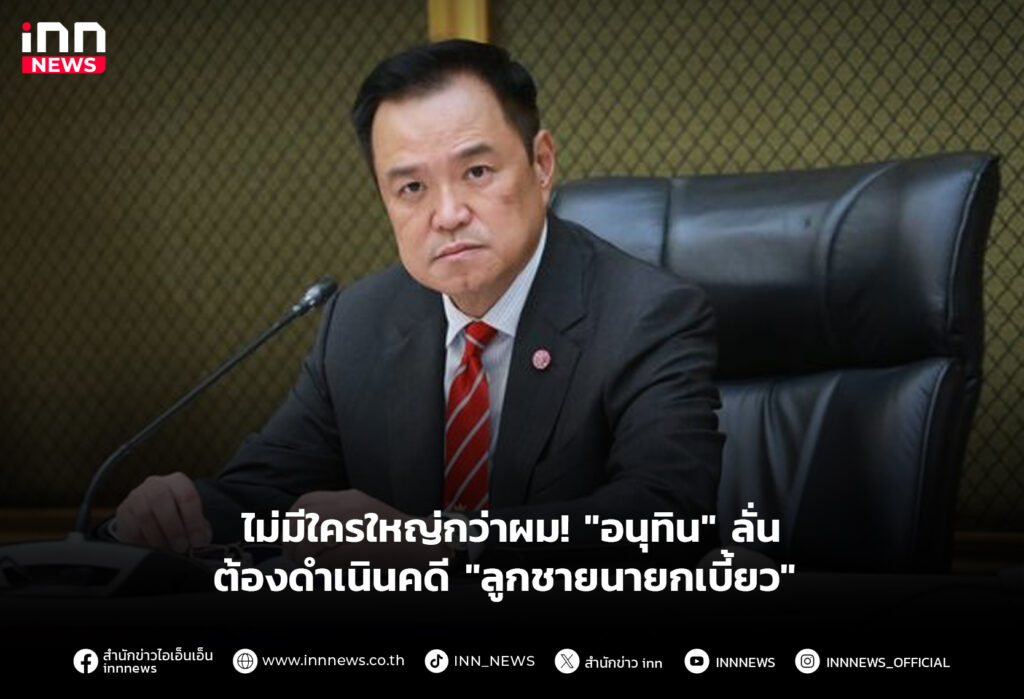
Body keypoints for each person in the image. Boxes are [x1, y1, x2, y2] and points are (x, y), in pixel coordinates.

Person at [112, 39, 723, 567]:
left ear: (541, 163)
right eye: (411, 187)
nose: (447, 214)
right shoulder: (358, 322)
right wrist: (178, 510)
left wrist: (438, 544)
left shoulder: (647, 315)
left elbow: (669, 518)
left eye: (477, 172)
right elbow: (264, 493)